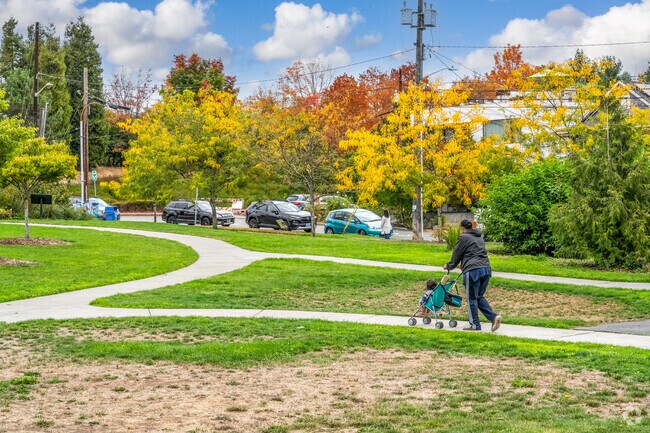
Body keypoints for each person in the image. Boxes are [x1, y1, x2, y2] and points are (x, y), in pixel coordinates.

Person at [443, 219, 502, 332]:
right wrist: (463, 265)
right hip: (486, 269)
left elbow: (457, 254)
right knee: (478, 296)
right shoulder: (479, 238)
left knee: (471, 299)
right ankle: (494, 317)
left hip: (473, 271)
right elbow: (474, 254)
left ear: (462, 228)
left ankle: (475, 325)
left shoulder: (464, 237)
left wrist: (449, 265)